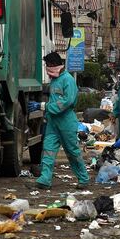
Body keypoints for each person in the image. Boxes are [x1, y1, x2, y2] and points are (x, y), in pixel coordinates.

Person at [35, 52, 90, 189]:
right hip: (53, 122)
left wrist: (44, 106)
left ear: (56, 65)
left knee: (72, 152)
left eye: (49, 65)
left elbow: (67, 102)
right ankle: (45, 179)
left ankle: (83, 178)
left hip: (66, 122)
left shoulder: (68, 80)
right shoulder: (54, 80)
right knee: (48, 150)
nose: (47, 68)